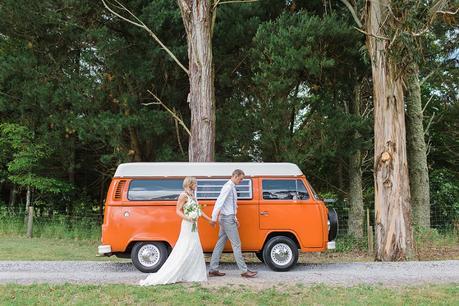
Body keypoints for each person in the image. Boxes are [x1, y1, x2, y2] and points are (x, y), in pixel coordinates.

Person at [139, 176, 214, 286]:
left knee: (194, 247)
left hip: (194, 225)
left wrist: (209, 220)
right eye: (195, 183)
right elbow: (178, 211)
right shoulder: (183, 195)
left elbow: (198, 211)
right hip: (188, 224)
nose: (196, 185)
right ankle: (176, 271)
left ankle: (192, 273)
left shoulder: (193, 196)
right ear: (190, 184)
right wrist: (188, 218)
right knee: (185, 246)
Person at [209, 169, 257, 278]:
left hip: (227, 218)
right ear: (235, 176)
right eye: (240, 179)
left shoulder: (231, 187)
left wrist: (235, 218)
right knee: (236, 244)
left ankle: (213, 269)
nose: (241, 181)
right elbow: (219, 202)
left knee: (220, 243)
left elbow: (232, 205)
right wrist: (213, 218)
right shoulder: (228, 187)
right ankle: (244, 271)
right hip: (227, 219)